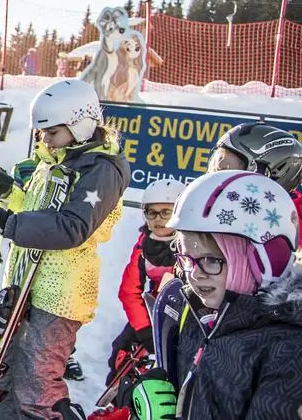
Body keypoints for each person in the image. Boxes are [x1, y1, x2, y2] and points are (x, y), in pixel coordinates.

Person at [0, 78, 130, 419]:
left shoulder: (102, 170)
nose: (43, 139)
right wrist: (5, 191)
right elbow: (35, 210)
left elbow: (72, 226)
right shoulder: (52, 162)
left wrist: (4, 223)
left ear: (80, 124)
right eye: (41, 132)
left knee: (37, 390)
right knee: (3, 381)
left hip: (59, 295)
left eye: (51, 131)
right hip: (25, 287)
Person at [121, 170, 302, 419]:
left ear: (264, 261)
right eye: (186, 259)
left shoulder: (289, 352)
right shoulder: (196, 317)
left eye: (210, 260)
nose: (195, 274)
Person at [101, 179, 184, 390]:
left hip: (185, 318)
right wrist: (145, 329)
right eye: (152, 212)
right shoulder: (144, 245)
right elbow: (129, 291)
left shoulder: (192, 243)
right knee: (121, 351)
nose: (158, 219)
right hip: (152, 313)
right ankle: (124, 397)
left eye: (166, 212)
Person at [207, 121, 302, 223]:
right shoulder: (217, 208)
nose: (216, 179)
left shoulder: (289, 223)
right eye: (215, 168)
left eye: (225, 170)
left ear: (269, 173)